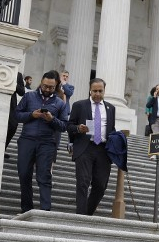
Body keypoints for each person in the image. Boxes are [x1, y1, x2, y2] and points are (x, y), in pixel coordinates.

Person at [14, 70, 68, 213]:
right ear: (41, 83)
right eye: (44, 86)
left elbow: (64, 126)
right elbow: (17, 115)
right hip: (27, 139)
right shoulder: (29, 96)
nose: (46, 89)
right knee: (24, 174)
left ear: (56, 86)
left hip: (47, 142)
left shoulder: (60, 103)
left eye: (50, 87)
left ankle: (45, 210)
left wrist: (52, 120)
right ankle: (26, 209)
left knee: (44, 176)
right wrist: (31, 115)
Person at [67, 78, 116, 215]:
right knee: (83, 182)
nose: (97, 94)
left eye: (100, 91)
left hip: (103, 150)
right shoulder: (79, 105)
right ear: (90, 90)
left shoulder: (111, 108)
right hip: (85, 148)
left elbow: (111, 128)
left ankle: (87, 213)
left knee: (100, 185)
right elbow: (69, 125)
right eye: (94, 91)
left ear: (104, 91)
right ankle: (81, 216)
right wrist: (78, 128)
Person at [4, 72, 26, 158]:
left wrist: (13, 83)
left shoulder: (17, 74)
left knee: (12, 126)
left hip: (11, 105)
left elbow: (22, 91)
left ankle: (3, 148)